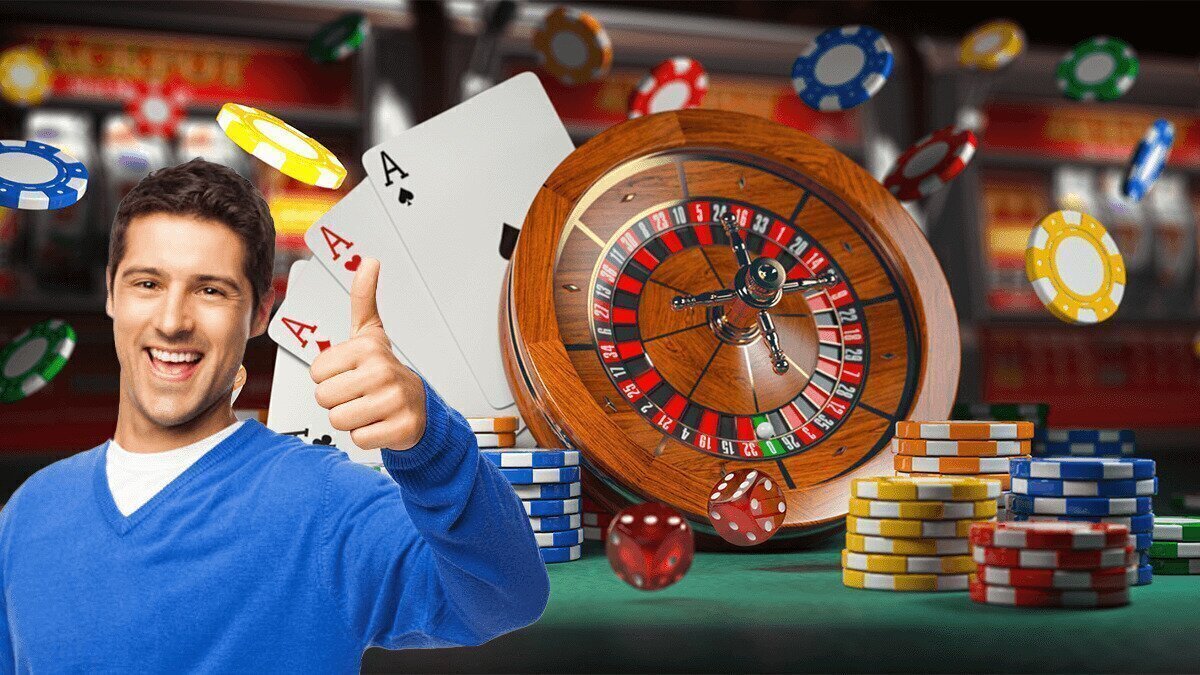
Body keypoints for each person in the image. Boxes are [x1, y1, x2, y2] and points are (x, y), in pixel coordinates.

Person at [0, 159, 549, 673]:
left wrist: (432, 443)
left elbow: (504, 596)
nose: (172, 321)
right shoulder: (25, 516)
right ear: (112, 294)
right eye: (148, 284)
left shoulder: (327, 505)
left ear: (260, 313)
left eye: (211, 291)